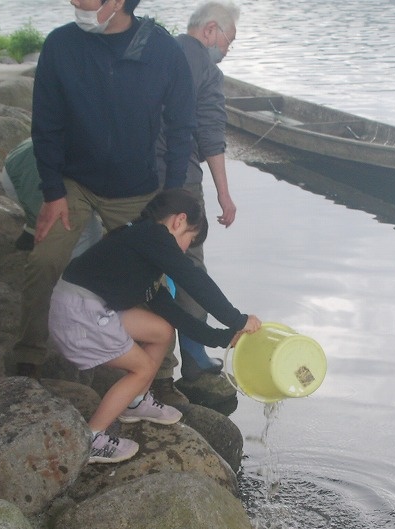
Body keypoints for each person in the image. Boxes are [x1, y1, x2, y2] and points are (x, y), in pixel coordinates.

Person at [13, 0, 196, 409]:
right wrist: (52, 192)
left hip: (136, 188)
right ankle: (28, 359)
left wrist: (172, 197)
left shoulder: (162, 49)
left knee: (153, 278)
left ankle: (161, 375)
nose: (75, 2)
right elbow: (46, 124)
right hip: (74, 182)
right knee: (45, 260)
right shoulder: (61, 45)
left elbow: (182, 127)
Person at [49, 189, 261, 462]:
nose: (184, 250)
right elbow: (194, 280)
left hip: (88, 307)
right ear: (179, 221)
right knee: (143, 367)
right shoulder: (152, 236)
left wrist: (223, 337)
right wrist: (238, 319)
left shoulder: (142, 247)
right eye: (190, 240)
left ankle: (135, 402)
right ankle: (92, 439)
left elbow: (172, 312)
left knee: (162, 331)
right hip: (79, 315)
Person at [155, 1, 239, 382]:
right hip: (181, 181)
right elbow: (211, 137)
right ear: (209, 30)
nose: (227, 49)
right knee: (188, 264)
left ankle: (152, 362)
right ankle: (194, 356)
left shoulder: (159, 51)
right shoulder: (208, 70)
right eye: (228, 40)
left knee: (146, 259)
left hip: (137, 178)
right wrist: (224, 195)